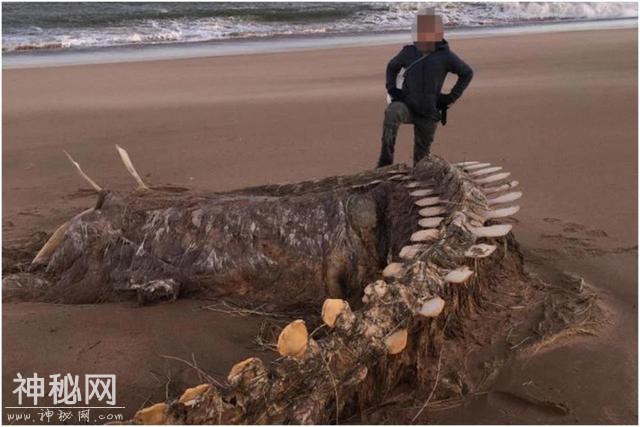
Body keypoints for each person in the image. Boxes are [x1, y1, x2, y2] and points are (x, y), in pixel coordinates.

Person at [376, 8, 474, 168]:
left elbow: (467, 73)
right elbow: (392, 67)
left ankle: (417, 174)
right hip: (406, 105)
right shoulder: (408, 52)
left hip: (429, 112)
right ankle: (385, 163)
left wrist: (450, 98)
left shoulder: (446, 56)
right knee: (392, 113)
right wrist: (392, 89)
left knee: (421, 162)